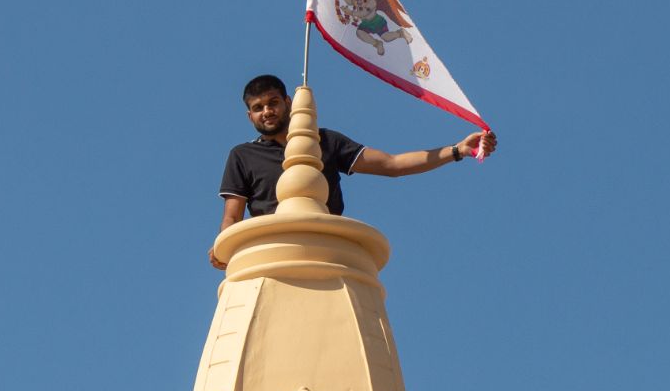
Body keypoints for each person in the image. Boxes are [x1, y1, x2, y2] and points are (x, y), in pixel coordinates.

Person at [210, 73, 499, 268]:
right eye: (258, 108)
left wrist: (457, 150)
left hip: (326, 249)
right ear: (250, 116)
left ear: (289, 103)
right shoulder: (243, 155)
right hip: (274, 252)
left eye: (273, 103)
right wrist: (225, 246)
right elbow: (232, 217)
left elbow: (392, 165)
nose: (267, 112)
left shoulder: (325, 142)